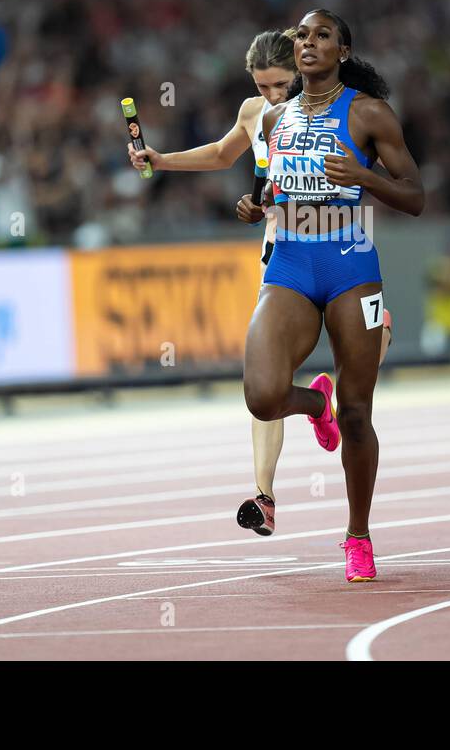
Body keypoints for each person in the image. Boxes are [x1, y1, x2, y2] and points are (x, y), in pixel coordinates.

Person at [127, 30, 391, 536]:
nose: (273, 95)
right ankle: (265, 494)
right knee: (265, 382)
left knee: (371, 359)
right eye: (262, 86)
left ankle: (332, 423)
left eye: (279, 84)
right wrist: (161, 160)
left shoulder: (336, 108)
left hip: (344, 251)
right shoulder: (259, 112)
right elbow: (224, 154)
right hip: (283, 255)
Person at [236, 8, 424, 581]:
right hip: (291, 260)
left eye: (322, 36)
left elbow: (415, 196)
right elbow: (274, 185)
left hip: (350, 262)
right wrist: (254, 205)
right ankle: (317, 406)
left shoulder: (369, 113)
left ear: (342, 50)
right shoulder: (275, 118)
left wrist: (365, 177)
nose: (309, 43)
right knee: (263, 395)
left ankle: (358, 535)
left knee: (361, 409)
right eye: (302, 36)